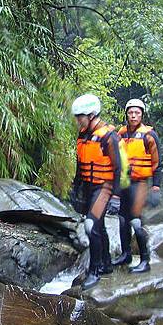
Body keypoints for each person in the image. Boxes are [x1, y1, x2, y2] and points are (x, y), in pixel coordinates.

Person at [69, 93, 123, 290]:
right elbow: (80, 164)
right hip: (89, 186)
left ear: (91, 115)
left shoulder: (108, 137)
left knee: (91, 226)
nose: (78, 120)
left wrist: (116, 196)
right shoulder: (83, 134)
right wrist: (76, 188)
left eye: (80, 116)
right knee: (98, 226)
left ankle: (95, 271)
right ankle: (106, 263)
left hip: (105, 187)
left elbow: (118, 169)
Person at [112, 98, 163, 273]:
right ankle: (126, 254)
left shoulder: (149, 135)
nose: (133, 116)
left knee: (135, 220)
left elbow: (157, 163)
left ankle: (145, 260)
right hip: (124, 182)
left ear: (142, 114)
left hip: (140, 183)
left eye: (137, 113)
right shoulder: (121, 133)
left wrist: (156, 187)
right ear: (126, 114)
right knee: (122, 219)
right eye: (131, 112)